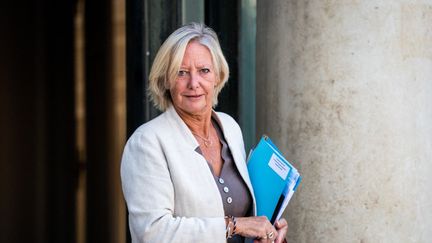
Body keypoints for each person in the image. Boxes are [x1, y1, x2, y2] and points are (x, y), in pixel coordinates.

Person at [120, 22, 288, 243]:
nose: (194, 83)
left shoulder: (229, 128)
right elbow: (152, 232)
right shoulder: (146, 143)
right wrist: (234, 226)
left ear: (217, 76)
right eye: (181, 72)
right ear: (166, 80)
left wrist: (268, 231)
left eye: (204, 71)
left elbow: (247, 216)